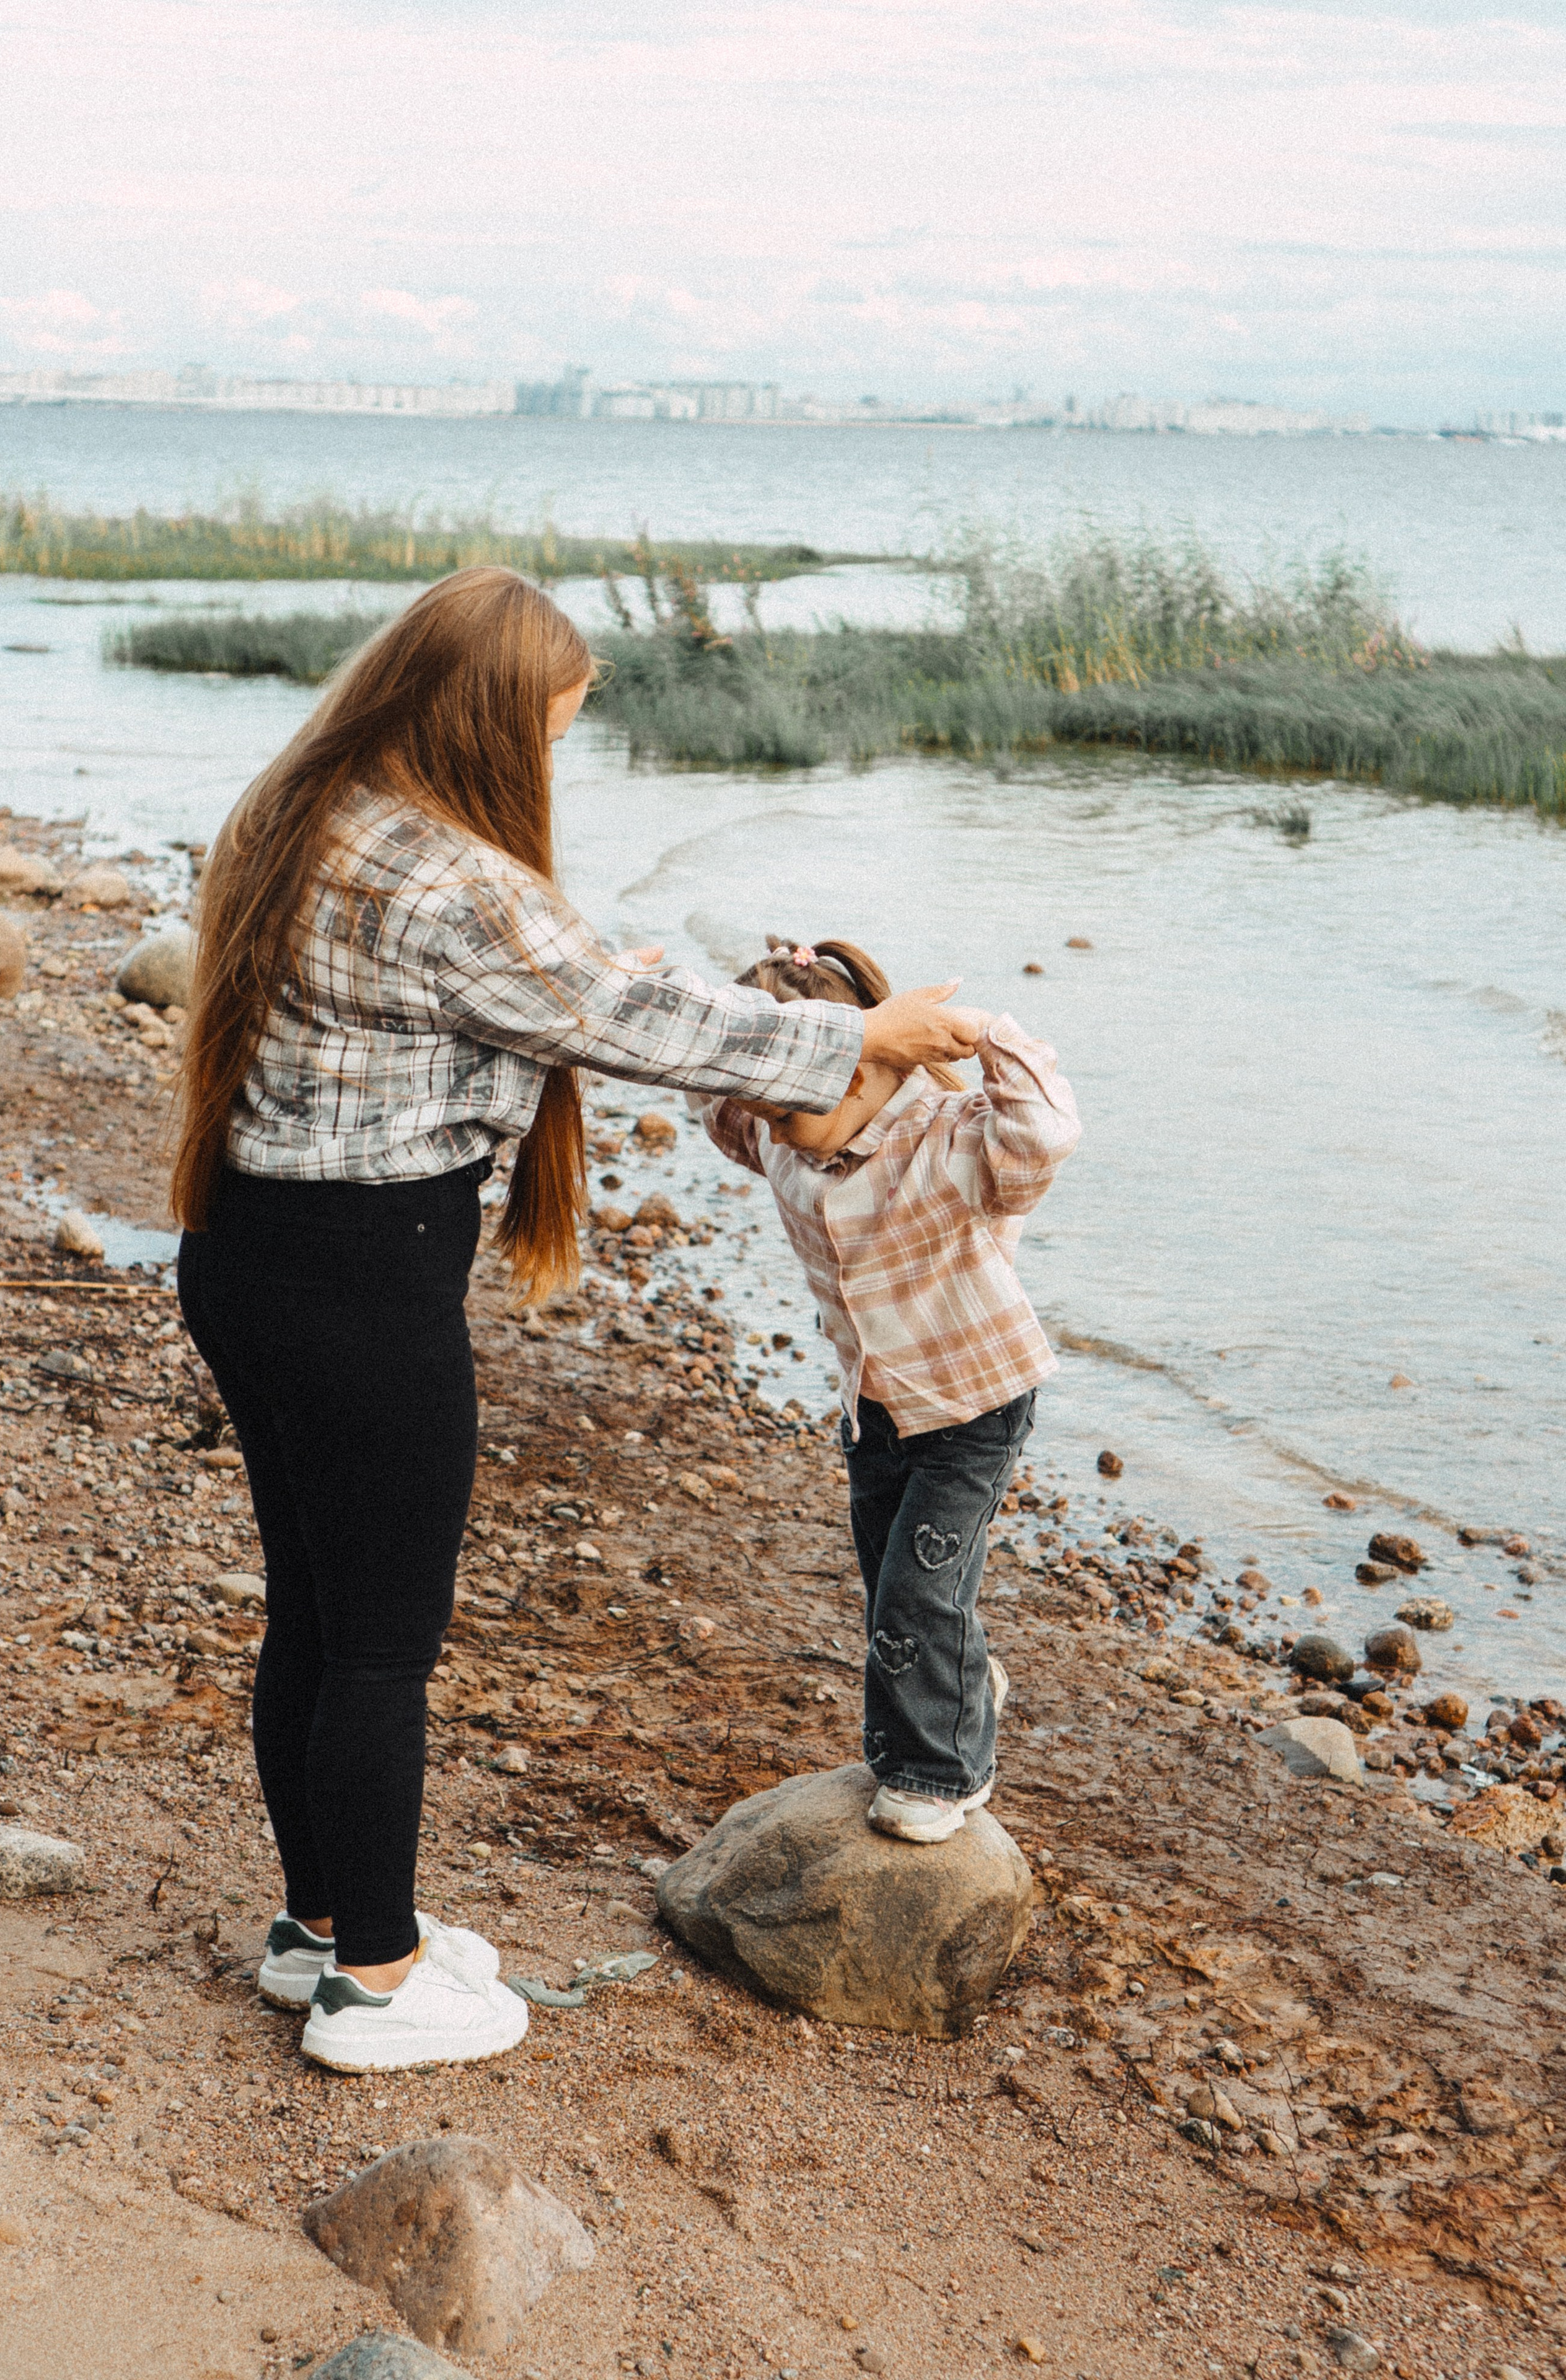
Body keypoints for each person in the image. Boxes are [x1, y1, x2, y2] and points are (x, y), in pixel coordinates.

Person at [170, 571, 983, 2073]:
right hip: (360, 1284)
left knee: (319, 1610)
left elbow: (574, 976)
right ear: (483, 720)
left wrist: (712, 993)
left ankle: (320, 1928)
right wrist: (861, 1035)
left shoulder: (308, 802)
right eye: (549, 728)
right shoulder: (444, 878)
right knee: (379, 1651)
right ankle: (376, 1984)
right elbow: (621, 1017)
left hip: (244, 1250)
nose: (552, 757)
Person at [693, 935, 1081, 1844]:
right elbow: (709, 1087)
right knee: (894, 1590)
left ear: (871, 1069)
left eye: (794, 1101)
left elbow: (1049, 1133)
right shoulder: (782, 1141)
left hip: (974, 1403)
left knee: (917, 1593)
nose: (775, 1124)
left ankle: (941, 1773)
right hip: (873, 1407)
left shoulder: (951, 1136)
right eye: (769, 1104)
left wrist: (985, 1033)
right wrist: (666, 990)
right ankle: (965, 1688)